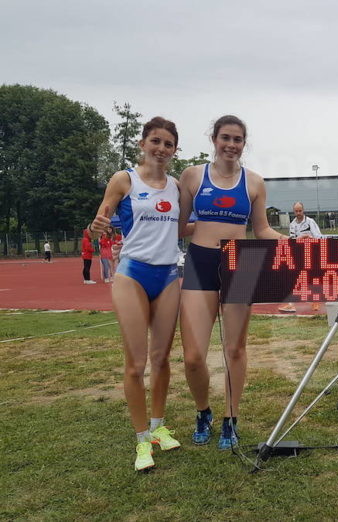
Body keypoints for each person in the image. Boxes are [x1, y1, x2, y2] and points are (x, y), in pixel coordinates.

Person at [178, 114, 287, 450]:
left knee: (235, 349)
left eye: (237, 139)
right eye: (225, 137)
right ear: (214, 139)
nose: (231, 144)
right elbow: (178, 226)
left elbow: (262, 229)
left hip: (241, 264)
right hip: (201, 262)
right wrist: (205, 226)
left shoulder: (254, 182)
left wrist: (292, 241)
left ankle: (230, 418)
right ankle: (203, 411)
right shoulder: (192, 176)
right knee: (193, 356)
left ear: (244, 144)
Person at [90, 116, 185, 472]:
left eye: (168, 144)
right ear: (142, 144)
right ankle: (142, 439)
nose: (161, 148)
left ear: (174, 150)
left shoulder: (177, 187)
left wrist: (223, 224)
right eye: (155, 141)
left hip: (168, 275)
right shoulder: (124, 179)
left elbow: (183, 227)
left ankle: (159, 428)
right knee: (136, 363)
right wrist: (96, 227)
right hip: (133, 274)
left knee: (161, 359)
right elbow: (98, 224)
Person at [278, 201, 323, 313]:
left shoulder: (310, 222)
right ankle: (291, 304)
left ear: (303, 210)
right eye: (296, 211)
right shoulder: (292, 224)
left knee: (313, 278)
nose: (298, 213)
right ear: (294, 212)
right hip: (299, 254)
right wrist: (300, 239)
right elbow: (292, 240)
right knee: (295, 279)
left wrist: (309, 238)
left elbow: (319, 238)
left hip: (312, 253)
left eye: (300, 211)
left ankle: (316, 301)